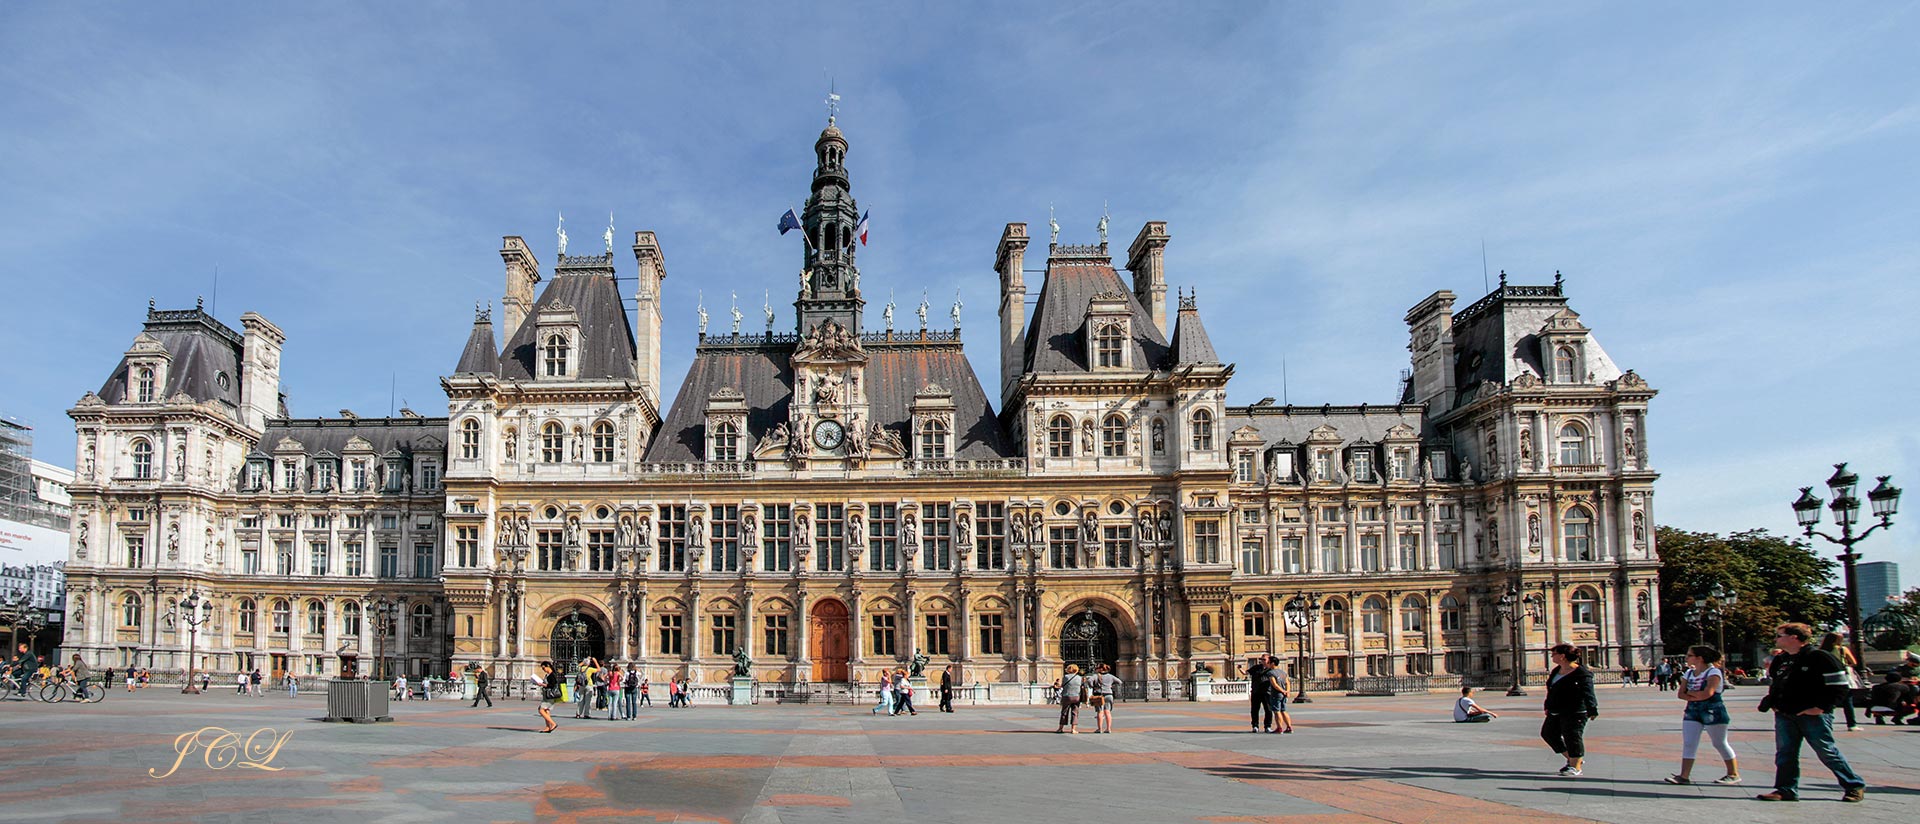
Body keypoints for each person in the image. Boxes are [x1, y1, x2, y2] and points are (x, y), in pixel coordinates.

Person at [1756, 622, 1866, 803]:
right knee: (1785, 753)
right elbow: (1776, 683)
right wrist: (1774, 703)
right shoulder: (1781, 659)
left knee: (1826, 751)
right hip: (1785, 714)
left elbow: (1840, 686)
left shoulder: (1820, 657)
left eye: (1779, 635)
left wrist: (1822, 707)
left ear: (1794, 637)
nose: (1776, 639)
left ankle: (1853, 785)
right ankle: (1786, 789)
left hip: (1813, 715)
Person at [1664, 645, 1741, 786]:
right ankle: (1684, 775)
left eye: (1689, 655)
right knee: (1689, 743)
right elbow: (1681, 694)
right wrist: (1696, 696)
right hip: (1692, 710)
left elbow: (1708, 693)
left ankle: (1733, 773)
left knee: (1719, 743)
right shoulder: (1689, 673)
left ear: (1699, 658)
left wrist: (1691, 695)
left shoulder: (1714, 673)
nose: (1686, 658)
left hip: (1713, 711)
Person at [1541, 643, 1599, 777]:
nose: (1551, 656)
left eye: (1554, 654)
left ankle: (1575, 766)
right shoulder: (1557, 670)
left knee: (1572, 736)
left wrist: (1592, 708)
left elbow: (1588, 692)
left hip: (1575, 710)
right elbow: (1551, 690)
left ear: (1562, 656)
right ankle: (1572, 757)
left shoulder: (1582, 673)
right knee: (1548, 734)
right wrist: (1547, 706)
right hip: (1556, 709)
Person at [1817, 633, 1862, 732]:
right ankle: (1852, 724)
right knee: (1847, 701)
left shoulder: (1821, 651)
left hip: (1826, 677)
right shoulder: (1842, 649)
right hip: (1841, 676)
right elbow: (1854, 662)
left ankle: (1826, 722)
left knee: (1828, 700)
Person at [1264, 656, 1293, 733]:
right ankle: (1289, 727)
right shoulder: (1283, 672)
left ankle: (1279, 728)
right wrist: (1287, 691)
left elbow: (1274, 685)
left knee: (1277, 711)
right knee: (1284, 710)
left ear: (1272, 663)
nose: (1267, 664)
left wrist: (1282, 691)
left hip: (1276, 694)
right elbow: (1287, 683)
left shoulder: (1271, 673)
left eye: (1269, 662)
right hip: (1284, 695)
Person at [1091, 663, 1122, 733]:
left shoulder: (1096, 676)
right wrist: (1111, 686)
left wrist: (1093, 686)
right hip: (1109, 694)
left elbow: (1089, 681)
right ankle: (1108, 728)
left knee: (1100, 712)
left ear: (1100, 669)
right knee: (1107, 711)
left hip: (1099, 695)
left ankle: (1100, 729)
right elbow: (1120, 682)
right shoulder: (1110, 676)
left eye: (1097, 668)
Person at [1055, 664, 1085, 734]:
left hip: (1067, 696)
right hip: (1076, 696)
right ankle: (1073, 729)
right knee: (1075, 712)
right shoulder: (1079, 678)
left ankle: (1060, 728)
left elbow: (1063, 685)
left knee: (1064, 712)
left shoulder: (1066, 677)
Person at [1244, 656, 1269, 732]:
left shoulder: (1271, 668)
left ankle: (1267, 726)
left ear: (1268, 660)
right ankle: (1255, 726)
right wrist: (1239, 668)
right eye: (1261, 659)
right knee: (1254, 710)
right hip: (1256, 691)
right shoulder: (1256, 667)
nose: (1262, 661)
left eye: (1264, 659)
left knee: (1268, 710)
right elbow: (1246, 673)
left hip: (1267, 692)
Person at [536, 661, 561, 733]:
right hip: (547, 695)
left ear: (548, 666)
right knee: (546, 711)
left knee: (541, 710)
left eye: (544, 668)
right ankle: (548, 727)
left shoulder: (552, 675)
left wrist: (542, 685)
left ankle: (553, 724)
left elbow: (552, 685)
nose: (543, 670)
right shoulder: (548, 675)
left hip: (550, 695)